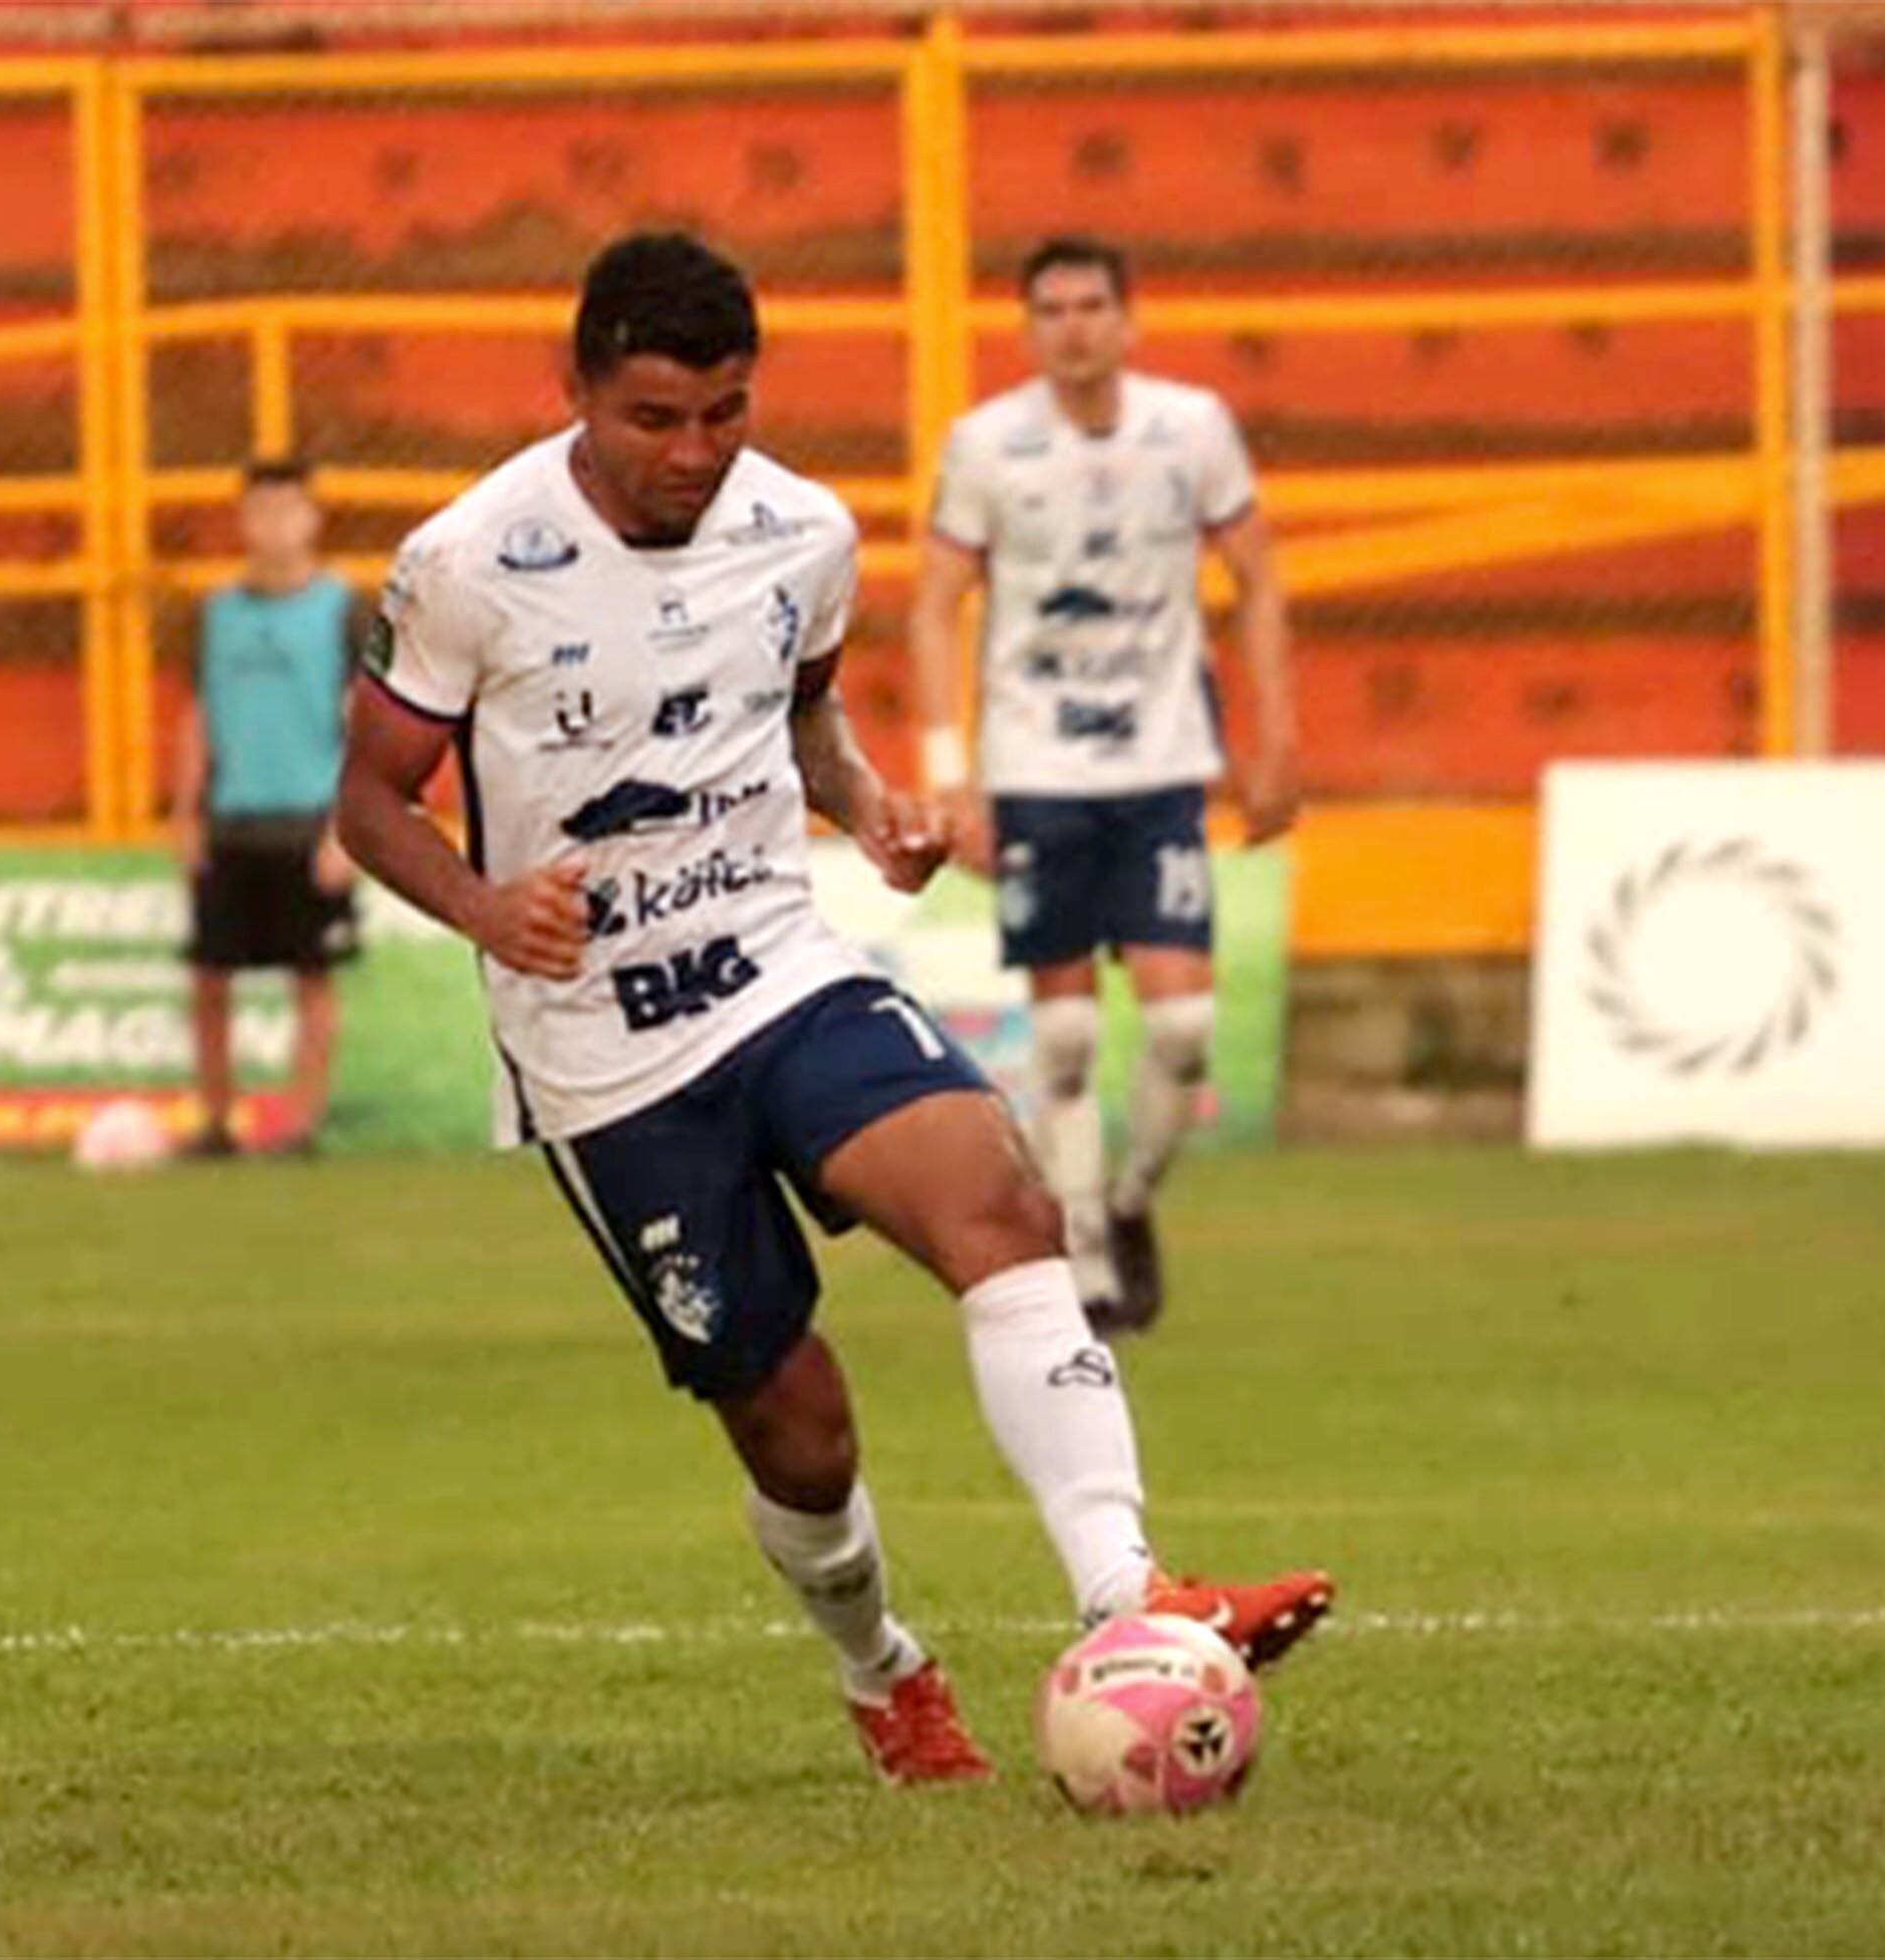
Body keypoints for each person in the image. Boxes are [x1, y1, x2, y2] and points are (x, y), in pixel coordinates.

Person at [336, 231, 1331, 1786]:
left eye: (724, 413)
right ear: (580, 387)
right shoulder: (469, 560)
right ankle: (885, 1669)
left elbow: (797, 715)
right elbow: (368, 799)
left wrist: (865, 802)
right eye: (656, 418)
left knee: (1001, 1203)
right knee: (799, 1429)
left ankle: (1134, 1600)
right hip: (603, 1053)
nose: (694, 453)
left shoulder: (803, 529)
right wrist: (479, 901)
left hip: (779, 963)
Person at [907, 235, 1298, 1334]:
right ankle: (1079, 1250)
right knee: (1069, 1038)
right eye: (1050, 309)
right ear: (1028, 328)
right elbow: (935, 604)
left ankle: (1128, 1202)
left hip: (1161, 764)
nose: (1072, 327)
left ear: (1128, 320)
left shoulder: (1193, 430)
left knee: (1184, 1029)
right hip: (1037, 768)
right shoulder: (986, 446)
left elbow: (1258, 578)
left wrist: (1276, 741)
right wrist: (953, 776)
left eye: (1091, 306)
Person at [171, 456, 362, 1157]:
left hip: (309, 819)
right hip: (232, 816)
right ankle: (217, 1120)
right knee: (209, 975)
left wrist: (348, 832)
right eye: (261, 510)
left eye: (288, 510)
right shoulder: (216, 614)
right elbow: (196, 714)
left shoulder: (342, 609)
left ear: (313, 518)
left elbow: (365, 724)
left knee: (312, 977)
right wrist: (185, 812)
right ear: (242, 520)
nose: (274, 526)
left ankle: (299, 1126)